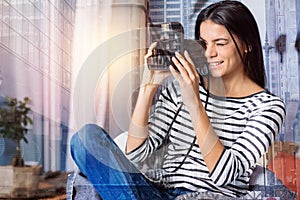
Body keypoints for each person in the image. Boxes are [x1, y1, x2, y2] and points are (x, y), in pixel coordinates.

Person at [70, 1, 286, 199]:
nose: (209, 53)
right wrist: (148, 87)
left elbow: (224, 174)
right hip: (158, 192)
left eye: (220, 43)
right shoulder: (179, 88)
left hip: (209, 196)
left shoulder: (267, 108)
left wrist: (194, 103)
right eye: (204, 43)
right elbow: (136, 156)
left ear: (247, 45)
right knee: (84, 139)